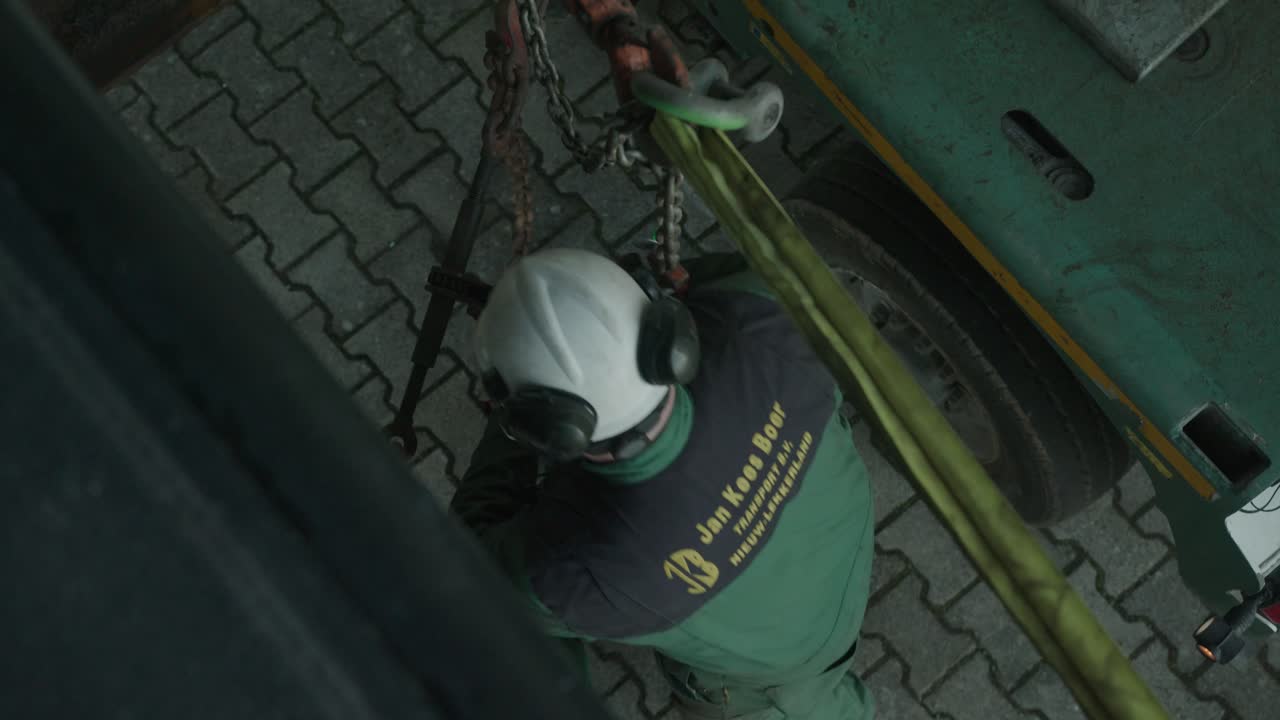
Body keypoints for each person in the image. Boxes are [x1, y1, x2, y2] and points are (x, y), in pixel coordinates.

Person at [450, 247, 876, 719]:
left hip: (773, 675)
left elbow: (474, 556)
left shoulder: (582, 567)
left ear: (549, 426)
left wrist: (508, 434)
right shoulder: (755, 318)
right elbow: (713, 273)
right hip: (847, 550)